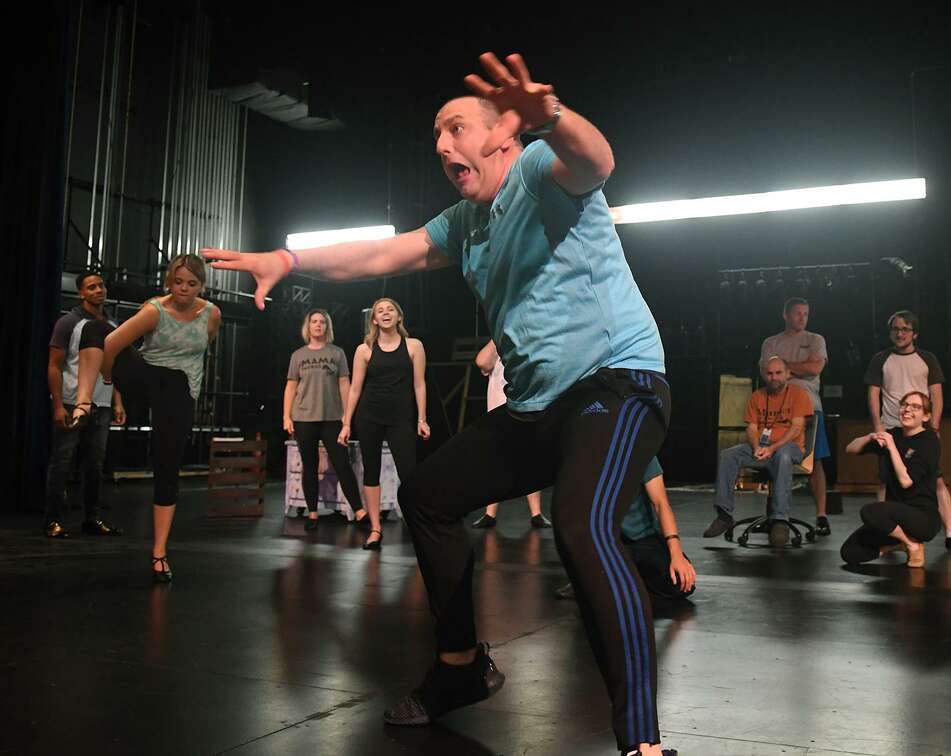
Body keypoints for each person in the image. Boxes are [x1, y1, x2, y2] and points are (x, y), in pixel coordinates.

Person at [205, 52, 674, 756]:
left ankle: (642, 744)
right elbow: (380, 255)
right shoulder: (464, 224)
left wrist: (549, 113)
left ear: (505, 135)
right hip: (537, 407)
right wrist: (291, 261)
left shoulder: (541, 168)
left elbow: (598, 160)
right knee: (427, 494)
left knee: (581, 525)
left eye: (455, 128)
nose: (441, 146)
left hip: (618, 384)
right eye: (435, 137)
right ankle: (460, 667)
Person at [72, 254, 221, 582]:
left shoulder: (212, 315)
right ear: (169, 282)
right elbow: (110, 346)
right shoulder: (154, 309)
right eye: (178, 282)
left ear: (202, 286)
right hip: (145, 374)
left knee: (167, 467)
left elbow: (203, 348)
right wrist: (111, 382)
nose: (184, 289)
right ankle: (83, 401)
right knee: (96, 327)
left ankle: (159, 553)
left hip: (180, 390)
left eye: (192, 284)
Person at [864, 311, 951, 552]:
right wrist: (879, 428)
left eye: (905, 329)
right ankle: (889, 535)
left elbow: (937, 395)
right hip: (891, 428)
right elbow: (873, 394)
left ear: (915, 333)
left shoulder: (927, 358)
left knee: (937, 481)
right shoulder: (881, 359)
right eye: (896, 329)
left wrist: (934, 427)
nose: (900, 333)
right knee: (885, 481)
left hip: (920, 431)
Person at [339, 298, 431, 550]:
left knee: (409, 473)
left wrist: (422, 418)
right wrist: (346, 423)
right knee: (371, 471)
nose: (385, 313)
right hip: (369, 416)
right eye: (380, 311)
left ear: (399, 317)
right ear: (374, 320)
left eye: (390, 310)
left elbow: (420, 384)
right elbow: (355, 388)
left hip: (401, 417)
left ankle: (418, 524)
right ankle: (375, 529)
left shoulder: (414, 346)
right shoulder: (364, 349)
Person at [43, 271, 126, 538]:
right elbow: (54, 366)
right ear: (82, 293)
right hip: (72, 401)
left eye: (101, 285)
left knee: (95, 464)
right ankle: (52, 520)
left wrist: (117, 401)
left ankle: (92, 519)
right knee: (62, 461)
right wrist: (58, 405)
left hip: (101, 403)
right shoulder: (69, 322)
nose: (99, 290)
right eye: (92, 287)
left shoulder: (112, 325)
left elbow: (114, 367)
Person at [703, 356, 811, 548]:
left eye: (778, 373)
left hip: (790, 448)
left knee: (783, 456)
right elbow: (752, 428)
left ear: (787, 374)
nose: (774, 377)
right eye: (769, 373)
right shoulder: (757, 396)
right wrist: (757, 447)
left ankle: (779, 520)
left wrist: (772, 448)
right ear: (763, 375)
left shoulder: (799, 394)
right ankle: (724, 514)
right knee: (728, 455)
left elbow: (796, 429)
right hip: (761, 448)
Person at [558, 457, 695, 602]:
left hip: (641, 539)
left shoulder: (642, 451)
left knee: (681, 582)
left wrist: (676, 554)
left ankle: (617, 587)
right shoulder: (589, 452)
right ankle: (596, 583)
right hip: (604, 542)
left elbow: (661, 503)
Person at [283, 308, 368, 531]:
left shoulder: (337, 353)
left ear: (327, 327)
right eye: (314, 322)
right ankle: (312, 513)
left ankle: (359, 511)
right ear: (308, 327)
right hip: (303, 417)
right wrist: (286, 416)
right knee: (309, 466)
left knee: (342, 463)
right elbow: (291, 387)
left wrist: (347, 416)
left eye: (322, 322)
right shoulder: (298, 355)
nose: (318, 325)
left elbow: (345, 385)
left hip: (332, 418)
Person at [840, 391, 942, 568]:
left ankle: (912, 545)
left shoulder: (929, 441)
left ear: (926, 416)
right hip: (894, 517)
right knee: (849, 552)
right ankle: (900, 544)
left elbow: (906, 481)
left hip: (923, 518)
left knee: (870, 512)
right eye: (904, 405)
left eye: (915, 407)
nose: (907, 410)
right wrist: (871, 436)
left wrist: (891, 445)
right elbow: (850, 448)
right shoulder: (893, 434)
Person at [759, 297, 833, 536]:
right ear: (786, 315)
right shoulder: (771, 342)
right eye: (798, 313)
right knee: (772, 456)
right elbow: (767, 374)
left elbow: (815, 368)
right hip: (776, 409)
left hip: (810, 408)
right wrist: (793, 368)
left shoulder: (815, 339)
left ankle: (821, 515)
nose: (802, 317)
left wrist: (783, 368)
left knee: (815, 461)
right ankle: (773, 514)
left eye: (806, 313)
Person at [469, 340, 550, 530]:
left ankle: (536, 513)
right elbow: (482, 362)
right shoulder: (498, 347)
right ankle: (490, 514)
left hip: (527, 409)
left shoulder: (529, 345)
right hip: (498, 412)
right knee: (496, 463)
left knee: (530, 462)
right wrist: (498, 336)